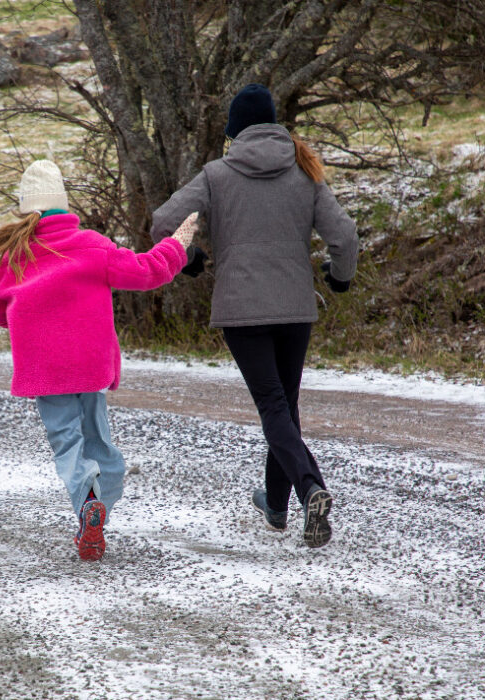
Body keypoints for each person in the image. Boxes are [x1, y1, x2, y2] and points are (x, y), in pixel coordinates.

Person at [150, 84, 359, 548]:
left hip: (242, 309)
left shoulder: (216, 174)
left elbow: (163, 223)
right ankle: (278, 506)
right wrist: (340, 277)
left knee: (273, 407)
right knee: (284, 405)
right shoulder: (305, 173)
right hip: (294, 307)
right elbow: (343, 234)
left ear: (235, 131)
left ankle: (309, 489)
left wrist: (189, 258)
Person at [0, 159, 197, 560]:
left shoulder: (17, 255)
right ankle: (96, 511)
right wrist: (176, 244)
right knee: (100, 442)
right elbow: (148, 272)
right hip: (90, 365)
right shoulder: (93, 245)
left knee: (68, 444)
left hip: (45, 369)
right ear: (64, 205)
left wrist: (33, 318)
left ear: (28, 210)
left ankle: (86, 504)